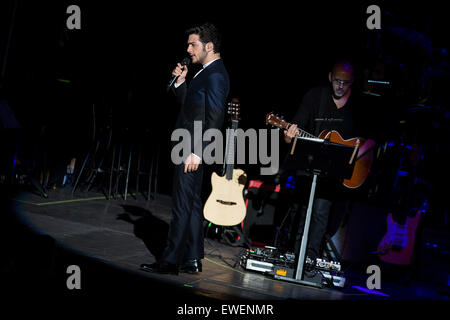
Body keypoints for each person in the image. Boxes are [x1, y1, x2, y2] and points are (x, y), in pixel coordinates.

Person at [140, 22, 230, 275]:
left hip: (193, 146)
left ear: (209, 46)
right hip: (188, 143)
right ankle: (192, 258)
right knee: (190, 204)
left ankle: (169, 262)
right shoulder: (204, 72)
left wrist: (199, 151)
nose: (188, 49)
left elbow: (215, 117)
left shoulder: (216, 75)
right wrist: (180, 83)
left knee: (182, 204)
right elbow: (191, 108)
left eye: (193, 44)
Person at [284, 60, 373, 265]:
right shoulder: (315, 97)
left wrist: (352, 156)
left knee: (321, 212)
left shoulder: (359, 105)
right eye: (337, 81)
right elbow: (293, 133)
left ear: (352, 83)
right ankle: (297, 259)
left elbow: (372, 140)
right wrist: (289, 135)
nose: (340, 86)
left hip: (336, 172)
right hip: (310, 165)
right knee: (303, 210)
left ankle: (310, 259)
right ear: (330, 78)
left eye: (346, 83)